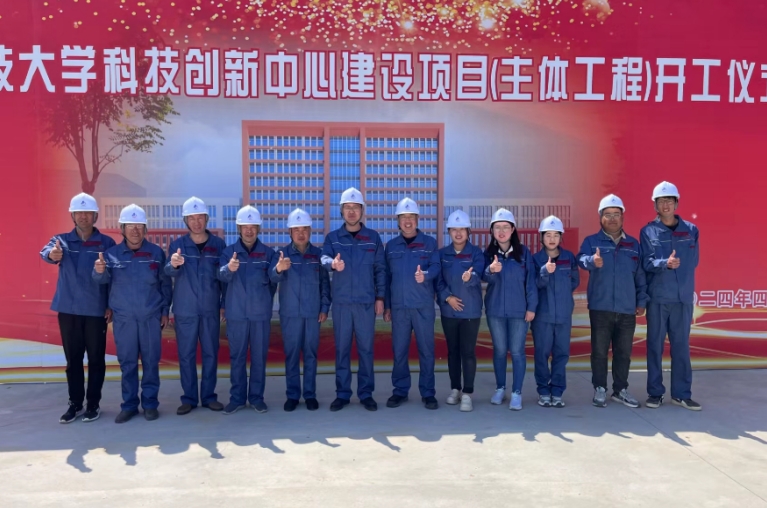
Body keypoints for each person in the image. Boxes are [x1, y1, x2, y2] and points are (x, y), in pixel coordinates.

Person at [92, 204, 172, 423]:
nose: (135, 230)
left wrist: (165, 310)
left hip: (150, 317)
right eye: (130, 226)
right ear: (122, 229)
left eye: (139, 226)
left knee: (150, 362)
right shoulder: (111, 255)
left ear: (145, 229)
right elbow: (102, 282)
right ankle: (129, 405)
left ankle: (150, 404)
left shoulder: (156, 253)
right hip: (124, 319)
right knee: (127, 363)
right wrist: (98, 272)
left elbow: (165, 284)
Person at [41, 193, 116, 424]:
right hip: (69, 310)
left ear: (95, 216)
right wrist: (52, 255)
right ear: (72, 216)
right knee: (73, 360)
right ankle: (75, 403)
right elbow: (47, 253)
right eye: (79, 213)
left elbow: (114, 278)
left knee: (96, 360)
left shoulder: (106, 243)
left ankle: (93, 404)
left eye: (87, 213)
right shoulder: (61, 241)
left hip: (95, 311)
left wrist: (110, 305)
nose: (83, 216)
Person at [577, 194, 648, 409]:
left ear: (622, 217)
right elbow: (581, 259)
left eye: (616, 214)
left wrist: (641, 301)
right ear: (600, 217)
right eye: (607, 214)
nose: (612, 218)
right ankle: (600, 388)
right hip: (601, 307)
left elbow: (640, 275)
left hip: (627, 308)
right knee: (599, 352)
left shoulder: (633, 244)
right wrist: (592, 261)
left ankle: (620, 390)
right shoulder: (592, 242)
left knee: (623, 352)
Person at [321, 187, 386, 412]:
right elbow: (323, 258)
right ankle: (342, 394)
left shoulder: (373, 238)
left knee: (366, 350)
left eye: (355, 207)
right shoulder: (333, 238)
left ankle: (366, 393)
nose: (351, 211)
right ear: (341, 211)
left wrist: (380, 297)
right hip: (341, 304)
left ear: (362, 211)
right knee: (342, 350)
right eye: (347, 207)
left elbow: (380, 269)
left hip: (366, 303)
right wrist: (332, 264)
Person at [640, 181, 701, 411]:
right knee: (654, 346)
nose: (665, 205)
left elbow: (694, 261)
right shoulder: (648, 231)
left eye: (669, 200)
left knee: (681, 347)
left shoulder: (691, 230)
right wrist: (665, 263)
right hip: (658, 298)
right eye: (661, 201)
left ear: (676, 203)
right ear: (655, 205)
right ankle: (655, 393)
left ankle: (681, 394)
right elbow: (646, 263)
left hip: (682, 299)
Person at [165, 197, 227, 415]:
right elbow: (168, 271)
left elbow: (224, 278)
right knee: (186, 355)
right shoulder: (177, 246)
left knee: (211, 353)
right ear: (186, 221)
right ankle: (189, 398)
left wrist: (223, 304)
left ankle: (209, 397)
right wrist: (173, 265)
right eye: (191, 218)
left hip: (210, 309)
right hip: (185, 310)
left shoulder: (218, 245)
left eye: (200, 217)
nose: (196, 222)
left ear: (206, 219)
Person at [217, 205, 277, 415]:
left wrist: (278, 270)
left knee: (259, 358)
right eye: (245, 226)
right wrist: (229, 268)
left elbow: (273, 280)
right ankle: (237, 399)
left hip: (260, 315)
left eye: (253, 226)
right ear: (239, 228)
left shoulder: (268, 253)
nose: (249, 230)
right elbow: (221, 277)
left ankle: (257, 398)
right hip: (236, 315)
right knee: (237, 358)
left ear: (258, 229)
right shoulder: (228, 252)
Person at [269, 208, 331, 412]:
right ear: (290, 232)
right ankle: (293, 395)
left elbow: (325, 284)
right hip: (290, 314)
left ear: (310, 231)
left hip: (313, 314)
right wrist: (279, 268)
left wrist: (324, 307)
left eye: (304, 229)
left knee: (311, 355)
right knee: (292, 355)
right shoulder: (281, 255)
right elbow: (271, 277)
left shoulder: (318, 255)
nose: (301, 233)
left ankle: (310, 395)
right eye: (296, 230)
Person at [383, 198, 441, 410]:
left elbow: (436, 267)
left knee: (427, 351)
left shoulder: (429, 243)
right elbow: (386, 278)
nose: (407, 221)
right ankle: (400, 391)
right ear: (398, 221)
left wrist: (425, 275)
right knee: (399, 351)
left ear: (417, 219)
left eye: (411, 217)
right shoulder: (391, 246)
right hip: (399, 308)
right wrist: (387, 306)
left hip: (422, 306)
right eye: (403, 217)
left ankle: (428, 392)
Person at [482, 208, 537, 411]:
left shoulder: (524, 253)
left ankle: (516, 392)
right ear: (492, 231)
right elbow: (483, 277)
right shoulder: (488, 254)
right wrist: (491, 270)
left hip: (519, 312)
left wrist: (531, 308)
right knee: (499, 351)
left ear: (513, 229)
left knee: (517, 351)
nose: (502, 231)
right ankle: (500, 388)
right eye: (497, 227)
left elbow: (531, 282)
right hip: (495, 311)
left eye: (506, 227)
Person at [435, 210, 484, 412]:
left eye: (462, 229)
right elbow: (437, 281)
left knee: (468, 353)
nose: (458, 233)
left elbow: (479, 274)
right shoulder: (442, 254)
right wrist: (448, 297)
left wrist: (469, 278)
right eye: (454, 229)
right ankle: (455, 389)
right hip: (449, 312)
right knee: (453, 352)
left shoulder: (476, 253)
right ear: (449, 232)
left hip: (470, 312)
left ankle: (467, 393)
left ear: (468, 231)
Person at [531, 216, 579, 408]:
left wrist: (563, 298)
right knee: (541, 354)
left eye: (556, 235)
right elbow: (534, 285)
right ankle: (543, 391)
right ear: (541, 237)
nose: (552, 239)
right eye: (548, 235)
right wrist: (544, 271)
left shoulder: (569, 257)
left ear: (561, 237)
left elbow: (574, 281)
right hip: (542, 316)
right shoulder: (535, 260)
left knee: (561, 354)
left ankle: (557, 391)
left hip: (564, 315)